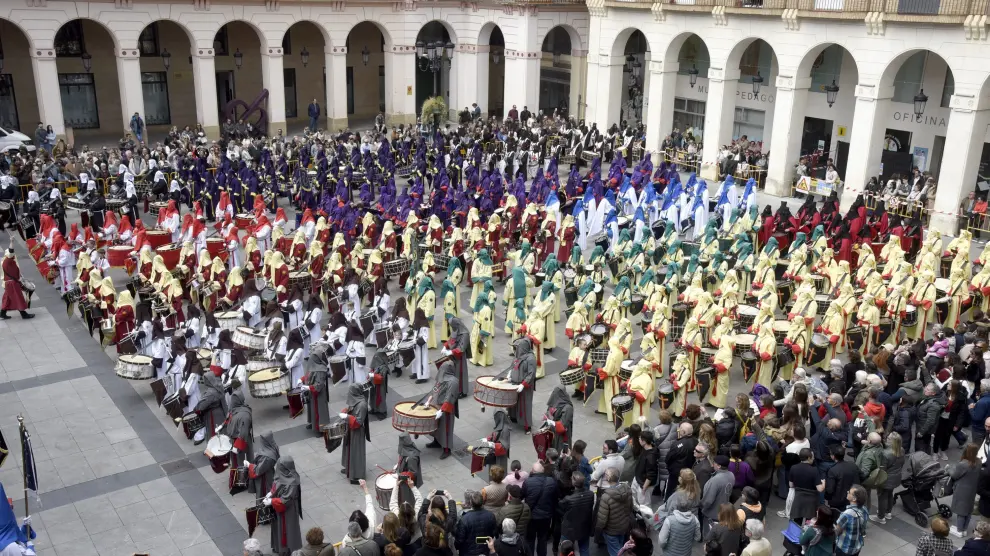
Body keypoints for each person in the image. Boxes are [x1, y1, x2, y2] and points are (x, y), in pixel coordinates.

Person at [267, 456, 303, 556]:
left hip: (288, 511)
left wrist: (271, 501)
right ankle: (278, 547)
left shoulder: (293, 483)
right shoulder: (283, 474)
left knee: (287, 529)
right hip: (278, 506)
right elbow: (277, 484)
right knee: (279, 527)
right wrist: (271, 493)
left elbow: (285, 500)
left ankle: (287, 550)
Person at [521, 462, 557, 556]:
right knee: (542, 539)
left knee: (530, 539)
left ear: (532, 471)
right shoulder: (551, 481)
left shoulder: (528, 482)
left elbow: (521, 496)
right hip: (546, 516)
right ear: (543, 470)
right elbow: (555, 497)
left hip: (531, 516)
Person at [595, 467, 631, 556]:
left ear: (608, 478)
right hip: (624, 526)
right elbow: (630, 508)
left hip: (611, 531)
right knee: (621, 547)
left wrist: (598, 530)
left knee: (615, 552)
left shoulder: (606, 497)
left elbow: (602, 520)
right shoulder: (627, 489)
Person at [948, 443, 982, 537]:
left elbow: (954, 475)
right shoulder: (979, 462)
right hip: (972, 490)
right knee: (968, 510)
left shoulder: (963, 464)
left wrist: (948, 469)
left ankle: (959, 530)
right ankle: (964, 529)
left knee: (961, 511)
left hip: (961, 490)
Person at [558, 471, 595, 556]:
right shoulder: (590, 494)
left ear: (573, 482)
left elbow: (560, 510)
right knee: (584, 549)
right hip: (584, 528)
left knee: (566, 551)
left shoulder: (568, 499)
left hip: (569, 530)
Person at [341, 383, 370, 484]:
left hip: (357, 432)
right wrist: (346, 411)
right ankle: (349, 468)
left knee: (356, 453)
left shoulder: (362, 405)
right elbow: (351, 409)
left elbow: (358, 422)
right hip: (350, 429)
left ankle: (357, 475)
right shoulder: (355, 400)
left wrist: (347, 417)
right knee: (349, 450)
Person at [455, 491, 497, 556]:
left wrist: (457, 547)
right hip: (485, 549)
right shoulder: (491, 516)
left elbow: (460, 540)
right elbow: (494, 533)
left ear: (471, 503)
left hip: (468, 552)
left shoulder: (464, 519)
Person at [701, 455, 734, 535]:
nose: (712, 465)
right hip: (723, 512)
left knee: (709, 537)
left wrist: (701, 507)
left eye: (714, 463)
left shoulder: (715, 480)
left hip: (712, 515)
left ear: (719, 466)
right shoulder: (731, 475)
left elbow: (708, 501)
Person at [1, 242, 34, 319]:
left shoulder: (6, 261)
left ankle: (2, 313)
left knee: (7, 298)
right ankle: (23, 314)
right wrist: (11, 241)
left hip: (9, 283)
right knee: (18, 297)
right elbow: (11, 250)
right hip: (12, 283)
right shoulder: (8, 260)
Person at [664, 423, 697, 499]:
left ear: (683, 432)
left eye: (680, 429)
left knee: (671, 492)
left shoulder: (678, 444)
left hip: (676, 473)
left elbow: (668, 458)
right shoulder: (696, 441)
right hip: (689, 472)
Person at [835, 485, 869, 556]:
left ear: (854, 499)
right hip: (857, 546)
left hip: (844, 548)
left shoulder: (847, 514)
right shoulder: (864, 509)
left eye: (849, 492)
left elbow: (837, 531)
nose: (847, 492)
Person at [826, 444, 861, 511]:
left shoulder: (833, 470)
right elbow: (862, 476)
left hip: (838, 502)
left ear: (833, 456)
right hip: (853, 498)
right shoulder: (852, 465)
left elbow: (830, 489)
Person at [632, 430, 657, 506]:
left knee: (644, 505)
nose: (639, 440)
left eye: (640, 439)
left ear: (644, 442)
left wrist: (644, 488)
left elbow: (651, 475)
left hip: (644, 484)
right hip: (638, 479)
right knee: (634, 499)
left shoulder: (651, 457)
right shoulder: (646, 449)